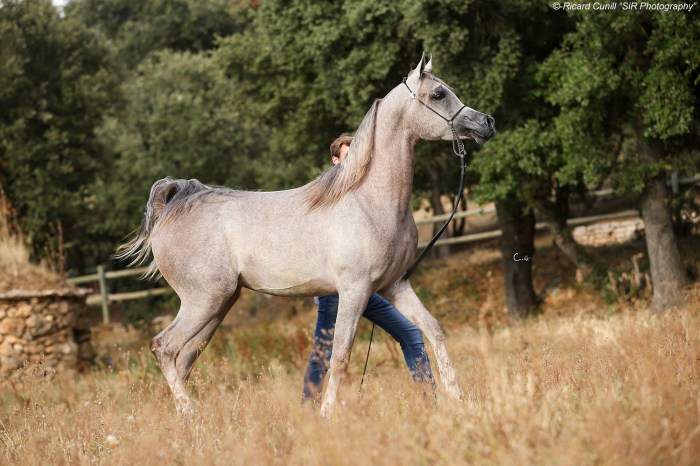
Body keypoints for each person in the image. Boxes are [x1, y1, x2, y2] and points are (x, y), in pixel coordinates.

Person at [302, 134, 435, 404]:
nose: (354, 162)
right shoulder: (326, 195)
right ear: (335, 160)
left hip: (364, 287)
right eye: (347, 156)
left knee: (410, 333)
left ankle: (430, 402)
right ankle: (309, 412)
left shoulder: (364, 194)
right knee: (324, 353)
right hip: (333, 291)